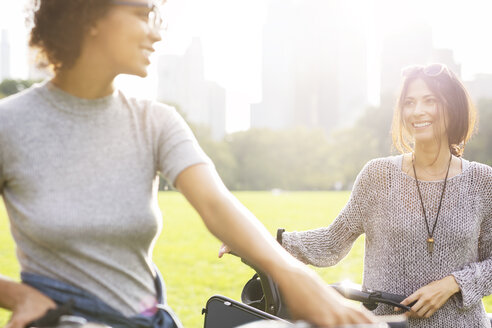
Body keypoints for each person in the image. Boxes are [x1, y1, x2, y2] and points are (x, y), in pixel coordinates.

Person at [0, 1, 376, 328]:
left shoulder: (157, 123)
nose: (157, 34)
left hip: (147, 319)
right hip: (63, 319)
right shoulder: (10, 125)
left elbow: (216, 204)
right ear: (91, 14)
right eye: (144, 13)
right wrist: (17, 296)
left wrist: (296, 278)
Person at [269, 63, 492, 327]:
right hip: (386, 325)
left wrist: (452, 284)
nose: (417, 111)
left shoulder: (482, 181)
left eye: (429, 100)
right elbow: (332, 242)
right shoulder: (377, 175)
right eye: (409, 102)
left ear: (452, 107)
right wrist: (265, 242)